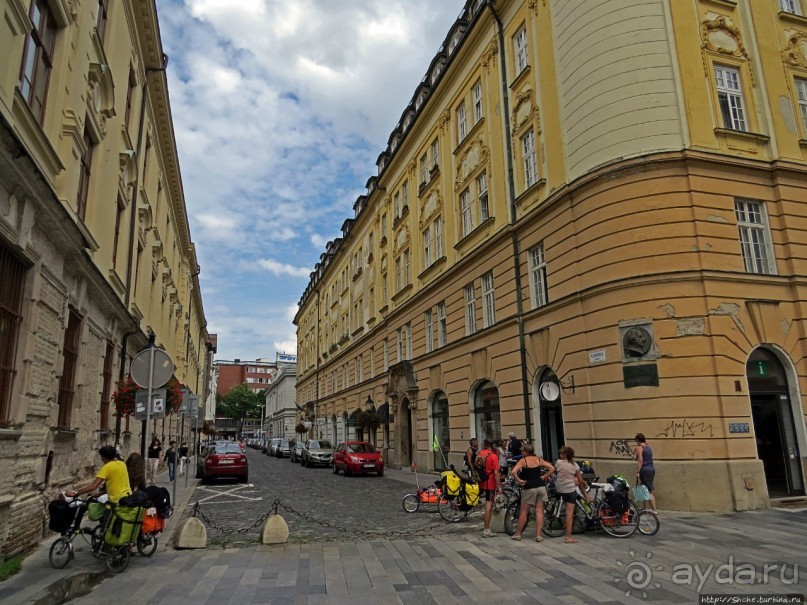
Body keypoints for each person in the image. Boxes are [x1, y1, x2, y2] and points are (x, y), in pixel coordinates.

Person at [510, 442, 555, 541]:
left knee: (524, 512)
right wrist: (543, 477)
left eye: (522, 451)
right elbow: (552, 468)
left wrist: (519, 480)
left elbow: (513, 472)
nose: (521, 453)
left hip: (529, 487)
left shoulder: (523, 460)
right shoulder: (538, 459)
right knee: (539, 512)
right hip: (540, 486)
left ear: (526, 451)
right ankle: (538, 536)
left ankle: (518, 534)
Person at [66, 445, 132, 504]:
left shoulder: (107, 467)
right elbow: (117, 485)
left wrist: (76, 493)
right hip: (128, 498)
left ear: (104, 457)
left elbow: (93, 486)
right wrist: (100, 493)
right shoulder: (122, 464)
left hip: (116, 502)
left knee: (100, 514)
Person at [554, 445, 591, 544]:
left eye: (561, 453)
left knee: (576, 482)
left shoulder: (558, 463)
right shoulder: (575, 465)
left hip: (559, 489)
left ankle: (586, 498)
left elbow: (555, 472)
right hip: (570, 491)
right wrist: (584, 482)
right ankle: (568, 537)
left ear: (565, 455)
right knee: (569, 514)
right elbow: (579, 479)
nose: (560, 455)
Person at [477, 438, 502, 538]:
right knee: (488, 505)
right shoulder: (493, 456)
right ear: (493, 446)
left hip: (481, 482)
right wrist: (499, 486)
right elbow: (496, 473)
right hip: (490, 483)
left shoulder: (480, 454)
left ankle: (486, 528)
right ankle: (486, 530)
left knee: (486, 504)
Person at [635, 433, 657, 513]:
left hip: (645, 470)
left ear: (638, 440)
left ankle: (654, 510)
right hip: (651, 469)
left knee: (649, 490)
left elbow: (640, 460)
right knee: (643, 488)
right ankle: (644, 507)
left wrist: (638, 471)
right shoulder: (648, 448)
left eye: (636, 441)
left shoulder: (639, 448)